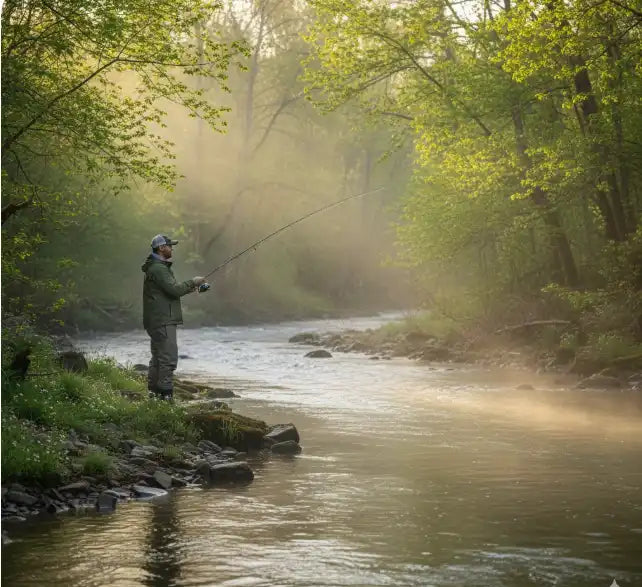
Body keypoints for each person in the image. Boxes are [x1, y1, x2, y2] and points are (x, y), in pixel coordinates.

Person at [142, 234, 205, 400]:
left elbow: (169, 290)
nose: (172, 248)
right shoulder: (159, 269)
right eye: (170, 245)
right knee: (168, 359)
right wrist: (193, 282)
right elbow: (175, 290)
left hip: (156, 320)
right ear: (161, 248)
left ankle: (153, 395)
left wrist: (194, 288)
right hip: (163, 320)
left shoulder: (157, 268)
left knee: (158, 358)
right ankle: (166, 397)